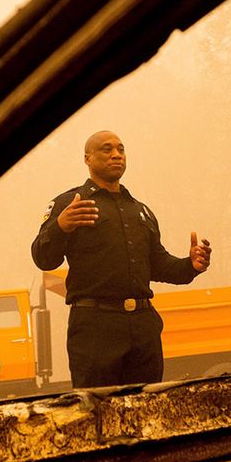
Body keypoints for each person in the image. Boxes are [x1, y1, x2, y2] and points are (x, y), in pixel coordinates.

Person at [32, 130, 211, 387]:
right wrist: (60, 227)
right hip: (95, 327)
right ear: (87, 158)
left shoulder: (140, 210)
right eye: (106, 149)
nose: (116, 155)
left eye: (121, 149)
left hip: (143, 326)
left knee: (147, 411)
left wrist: (190, 265)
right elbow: (43, 259)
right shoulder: (71, 204)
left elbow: (158, 265)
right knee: (97, 413)